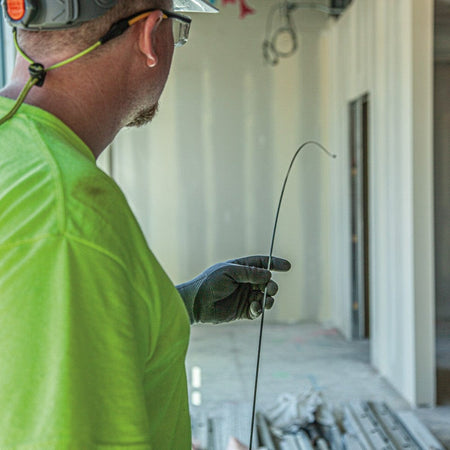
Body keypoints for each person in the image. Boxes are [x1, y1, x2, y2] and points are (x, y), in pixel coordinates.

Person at [0, 0, 291, 448]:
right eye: (177, 27)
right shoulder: (67, 215)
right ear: (150, 35)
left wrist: (177, 306)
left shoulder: (15, 151)